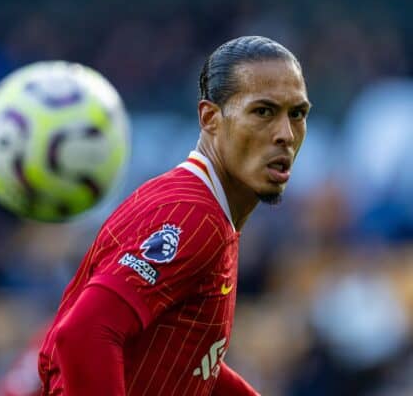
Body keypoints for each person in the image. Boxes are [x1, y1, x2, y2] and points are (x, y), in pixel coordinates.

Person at [38, 35, 311, 395]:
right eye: (263, 112)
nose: (285, 134)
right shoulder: (193, 216)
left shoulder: (207, 209)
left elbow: (187, 359)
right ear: (210, 118)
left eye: (297, 114)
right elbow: (84, 333)